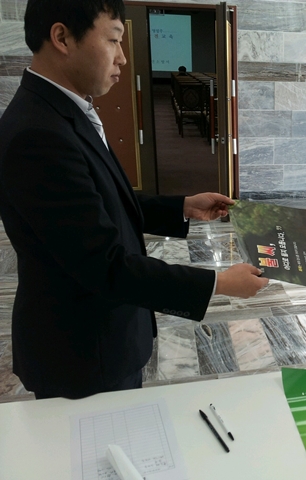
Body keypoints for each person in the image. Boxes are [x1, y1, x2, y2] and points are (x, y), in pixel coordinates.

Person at [0, 0, 268, 399]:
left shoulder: (63, 111)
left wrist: (181, 206)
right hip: (82, 354)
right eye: (113, 40)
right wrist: (219, 283)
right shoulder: (38, 135)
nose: (123, 58)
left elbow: (100, 203)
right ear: (62, 38)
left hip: (103, 338)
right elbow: (103, 265)